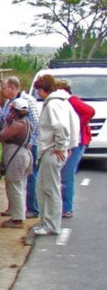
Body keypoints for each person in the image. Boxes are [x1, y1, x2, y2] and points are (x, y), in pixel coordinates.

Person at [32, 74, 80, 236]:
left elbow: (61, 127)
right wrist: (68, 145)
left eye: (38, 90)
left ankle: (51, 225)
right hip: (53, 150)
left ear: (43, 89)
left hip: (51, 151)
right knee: (45, 187)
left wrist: (61, 146)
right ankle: (47, 222)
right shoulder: (63, 102)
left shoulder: (53, 104)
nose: (38, 93)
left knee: (50, 189)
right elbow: (73, 124)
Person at [0, 76, 40, 218]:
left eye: (4, 88)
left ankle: (31, 208)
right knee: (12, 177)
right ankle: (13, 207)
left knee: (25, 179)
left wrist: (30, 143)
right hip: (13, 145)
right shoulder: (9, 102)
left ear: (13, 87)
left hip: (25, 145)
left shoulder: (28, 101)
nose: (2, 91)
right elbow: (3, 120)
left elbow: (36, 124)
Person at [54, 79, 95, 217]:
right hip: (72, 140)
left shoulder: (71, 100)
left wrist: (77, 124)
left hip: (77, 141)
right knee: (64, 173)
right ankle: (64, 207)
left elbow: (89, 111)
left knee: (67, 174)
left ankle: (67, 208)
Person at [0, 98, 33, 228]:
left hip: (17, 157)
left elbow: (2, 136)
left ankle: (18, 218)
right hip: (22, 156)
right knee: (19, 186)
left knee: (15, 187)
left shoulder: (18, 125)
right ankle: (16, 212)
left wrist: (7, 123)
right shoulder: (26, 123)